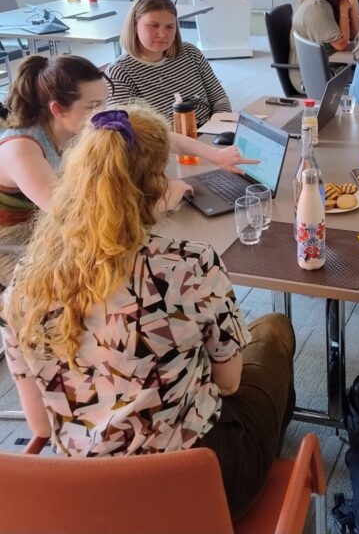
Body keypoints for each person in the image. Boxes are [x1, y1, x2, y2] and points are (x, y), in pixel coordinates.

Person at [0, 104, 295, 521]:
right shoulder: (188, 265)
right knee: (274, 330)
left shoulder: (23, 286)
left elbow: (42, 427)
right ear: (159, 186)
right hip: (198, 489)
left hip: (82, 501)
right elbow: (228, 384)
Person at [0, 55, 253, 289]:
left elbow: (158, 135)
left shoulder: (82, 123)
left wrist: (217, 156)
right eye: (94, 105)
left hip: (56, 231)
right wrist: (158, 204)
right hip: (16, 245)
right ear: (58, 109)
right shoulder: (22, 149)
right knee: (104, 284)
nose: (103, 112)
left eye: (104, 102)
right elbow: (78, 220)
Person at [106, 0, 232, 126]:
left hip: (210, 132)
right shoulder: (119, 73)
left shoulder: (190, 53)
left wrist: (219, 129)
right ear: (134, 26)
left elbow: (219, 100)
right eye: (153, 25)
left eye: (170, 27)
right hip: (165, 144)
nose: (162, 34)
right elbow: (130, 132)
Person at [289, 0, 351, 93]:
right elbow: (341, 44)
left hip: (320, 69)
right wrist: (344, 10)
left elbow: (353, 34)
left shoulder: (319, 3)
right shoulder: (317, 7)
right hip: (310, 78)